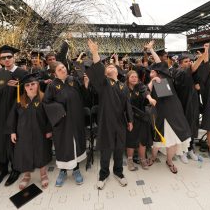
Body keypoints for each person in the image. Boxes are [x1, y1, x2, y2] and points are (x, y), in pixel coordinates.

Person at [86, 39, 133, 190]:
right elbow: (98, 69)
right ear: (105, 72)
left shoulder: (123, 86)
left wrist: (130, 120)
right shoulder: (104, 84)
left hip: (120, 122)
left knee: (119, 149)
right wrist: (95, 52)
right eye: (108, 66)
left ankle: (118, 172)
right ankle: (103, 175)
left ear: (118, 70)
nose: (111, 67)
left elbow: (127, 104)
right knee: (106, 150)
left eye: (113, 66)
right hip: (106, 122)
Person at [0, 45, 28, 188]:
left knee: (15, 140)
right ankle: (2, 169)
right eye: (3, 58)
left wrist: (19, 87)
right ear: (0, 60)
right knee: (1, 139)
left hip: (17, 112)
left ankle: (16, 168)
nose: (7, 59)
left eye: (9, 57)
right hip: (0, 113)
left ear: (14, 58)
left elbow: (32, 93)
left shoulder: (22, 73)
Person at [145, 41, 192, 174]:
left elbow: (158, 61)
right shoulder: (150, 82)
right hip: (159, 113)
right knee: (157, 139)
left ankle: (169, 161)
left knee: (173, 139)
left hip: (174, 111)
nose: (152, 72)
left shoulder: (166, 77)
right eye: (151, 71)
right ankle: (153, 158)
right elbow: (146, 93)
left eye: (155, 71)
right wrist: (152, 81)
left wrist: (151, 50)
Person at [44, 61, 89, 187]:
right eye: (59, 69)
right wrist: (59, 110)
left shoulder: (73, 80)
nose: (63, 70)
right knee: (63, 146)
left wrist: (85, 85)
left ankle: (76, 170)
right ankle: (63, 171)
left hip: (76, 119)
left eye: (63, 67)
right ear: (54, 73)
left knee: (76, 144)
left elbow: (84, 97)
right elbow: (46, 103)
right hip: (61, 122)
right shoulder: (52, 86)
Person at [6, 73, 53, 189]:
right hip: (23, 133)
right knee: (24, 154)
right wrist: (12, 131)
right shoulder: (19, 100)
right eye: (27, 85)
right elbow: (13, 117)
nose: (30, 86)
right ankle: (26, 175)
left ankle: (43, 174)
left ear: (38, 85)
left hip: (40, 132)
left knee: (41, 152)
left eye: (33, 84)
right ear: (24, 87)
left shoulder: (44, 98)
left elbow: (49, 117)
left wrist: (49, 130)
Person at [173, 52, 204, 163]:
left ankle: (190, 149)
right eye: (186, 62)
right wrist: (201, 57)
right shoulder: (178, 72)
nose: (189, 63)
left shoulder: (190, 73)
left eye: (189, 61)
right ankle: (182, 152)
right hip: (183, 105)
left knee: (192, 127)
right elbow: (193, 68)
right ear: (180, 64)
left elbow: (198, 83)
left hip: (193, 104)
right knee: (184, 128)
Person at [125, 70, 156, 171]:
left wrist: (150, 99)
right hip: (129, 118)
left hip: (141, 116)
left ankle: (142, 159)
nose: (134, 78)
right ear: (128, 78)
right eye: (132, 77)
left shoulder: (140, 86)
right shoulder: (124, 88)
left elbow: (145, 92)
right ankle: (130, 160)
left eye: (135, 77)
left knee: (142, 139)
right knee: (131, 139)